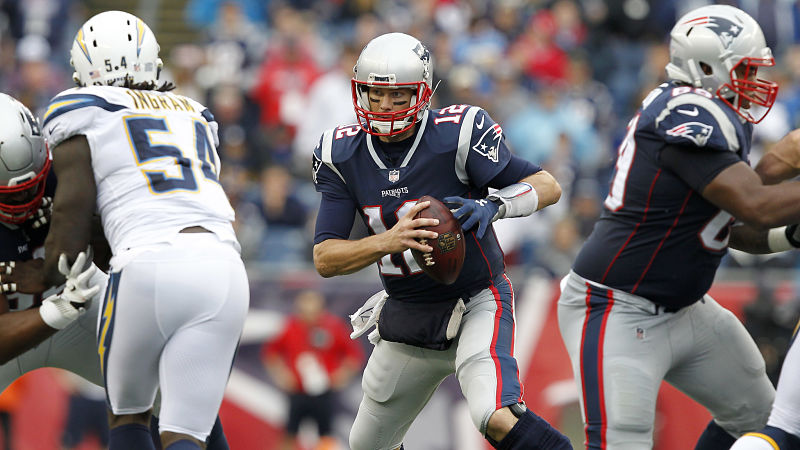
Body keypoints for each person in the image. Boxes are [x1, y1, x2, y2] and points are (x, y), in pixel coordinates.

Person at [556, 4, 800, 448]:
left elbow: (726, 229)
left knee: (766, 423)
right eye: (745, 70)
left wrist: (791, 234)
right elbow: (756, 205)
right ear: (706, 67)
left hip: (687, 308)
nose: (756, 81)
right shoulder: (685, 110)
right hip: (618, 308)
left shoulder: (720, 113)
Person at [312, 32, 571, 450]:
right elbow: (325, 257)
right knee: (367, 445)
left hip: (476, 301)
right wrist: (389, 241)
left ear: (423, 92)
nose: (384, 106)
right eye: (375, 94)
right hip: (408, 313)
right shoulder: (340, 153)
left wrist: (494, 205)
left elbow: (547, 185)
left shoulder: (457, 134)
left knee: (495, 416)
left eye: (397, 95)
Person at [39, 10, 249, 450]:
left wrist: (44, 275)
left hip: (149, 261)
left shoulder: (82, 110)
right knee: (188, 431)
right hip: (224, 265)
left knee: (130, 416)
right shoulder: (196, 113)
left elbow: (72, 217)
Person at [262, 289, 364, 450]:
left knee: (325, 434)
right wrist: (282, 375)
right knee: (290, 432)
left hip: (324, 391)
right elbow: (271, 354)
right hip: (297, 391)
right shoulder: (291, 326)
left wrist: (342, 375)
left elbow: (353, 355)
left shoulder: (333, 327)